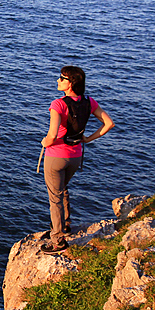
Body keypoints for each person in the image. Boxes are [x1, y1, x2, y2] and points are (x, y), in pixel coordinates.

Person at [39, 66, 114, 253]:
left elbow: (52, 134)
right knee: (62, 189)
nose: (58, 80)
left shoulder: (58, 104)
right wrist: (88, 139)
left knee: (54, 197)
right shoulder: (89, 102)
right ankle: (64, 226)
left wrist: (45, 142)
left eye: (61, 78)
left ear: (71, 83)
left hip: (56, 156)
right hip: (75, 156)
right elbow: (109, 123)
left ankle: (58, 240)